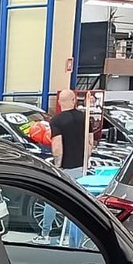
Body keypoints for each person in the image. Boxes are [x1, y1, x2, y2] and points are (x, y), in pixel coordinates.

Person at [39, 89, 90, 242]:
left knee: (52, 200)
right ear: (74, 100)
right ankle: (74, 238)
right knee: (78, 203)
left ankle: (45, 234)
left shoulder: (57, 120)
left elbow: (57, 147)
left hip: (66, 168)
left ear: (60, 102)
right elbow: (90, 143)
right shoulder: (85, 118)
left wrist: (58, 166)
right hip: (82, 168)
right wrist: (85, 163)